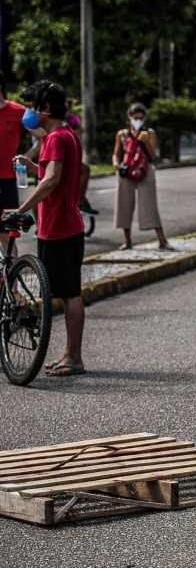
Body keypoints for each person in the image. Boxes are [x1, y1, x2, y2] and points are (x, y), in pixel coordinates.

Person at [11, 82, 86, 378]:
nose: (29, 111)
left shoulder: (56, 137)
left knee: (70, 293)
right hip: (62, 224)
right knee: (68, 291)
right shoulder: (67, 135)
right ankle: (70, 354)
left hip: (60, 227)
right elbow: (54, 174)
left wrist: (19, 210)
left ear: (44, 110)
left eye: (32, 106)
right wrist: (32, 166)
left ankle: (74, 357)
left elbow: (52, 180)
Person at [111, 102, 172, 251]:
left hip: (145, 170)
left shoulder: (149, 133)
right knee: (124, 205)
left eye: (141, 117)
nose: (138, 120)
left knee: (150, 205)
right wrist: (117, 165)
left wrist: (146, 143)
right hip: (126, 171)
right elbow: (116, 154)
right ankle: (128, 241)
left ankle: (162, 240)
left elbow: (153, 156)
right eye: (135, 117)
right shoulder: (122, 134)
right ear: (129, 117)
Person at [0, 73, 26, 214]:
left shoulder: (19, 111)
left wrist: (25, 159)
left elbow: (43, 137)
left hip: (7, 177)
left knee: (9, 227)